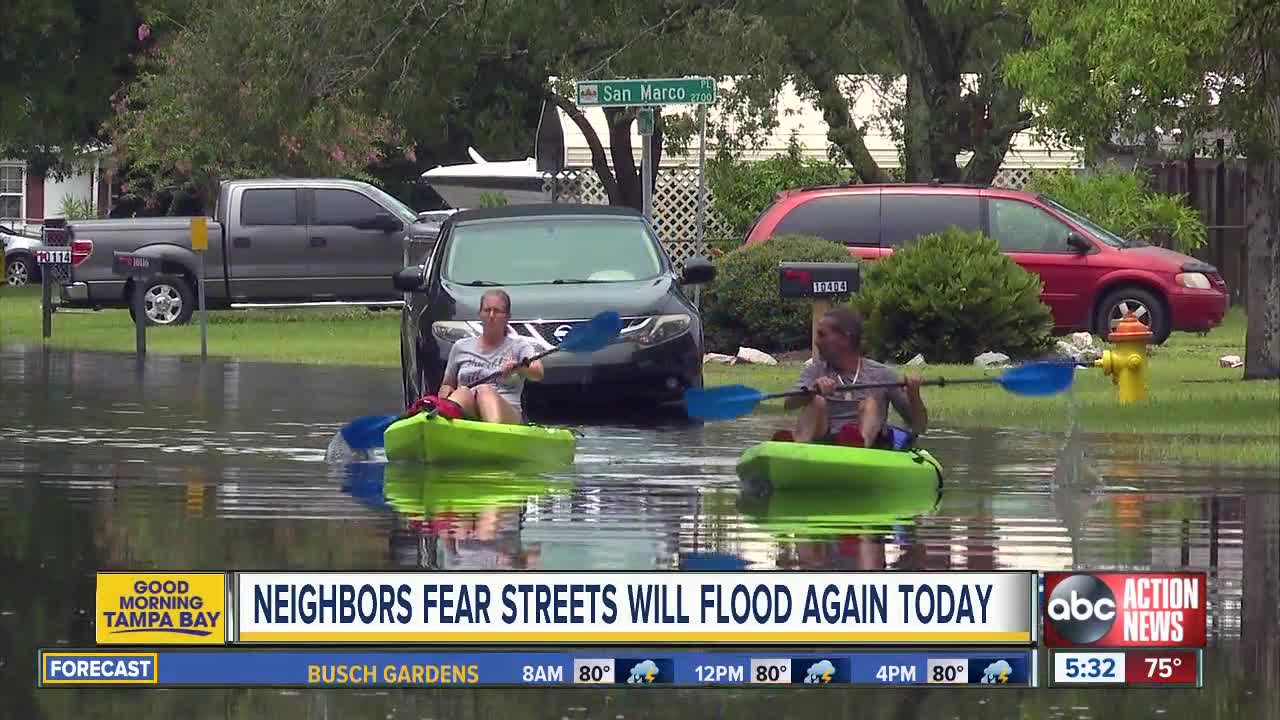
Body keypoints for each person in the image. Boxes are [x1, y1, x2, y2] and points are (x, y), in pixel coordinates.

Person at [783, 306, 928, 448]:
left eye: (822, 335)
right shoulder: (814, 371)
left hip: (865, 448)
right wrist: (813, 390)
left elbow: (919, 426)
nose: (816, 341)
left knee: (870, 404)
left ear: (845, 339)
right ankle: (798, 446)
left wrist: (914, 395)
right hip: (826, 442)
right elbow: (788, 404)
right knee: (817, 401)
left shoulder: (883, 374)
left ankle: (859, 445)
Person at [436, 289, 545, 424]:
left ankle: (494, 434)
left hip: (507, 411)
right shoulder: (460, 346)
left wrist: (519, 368)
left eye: (497, 311)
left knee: (484, 390)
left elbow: (538, 373)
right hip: (469, 408)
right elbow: (447, 384)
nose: (491, 315)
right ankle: (441, 424)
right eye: (487, 310)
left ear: (507, 317)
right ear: (480, 314)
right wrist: (445, 391)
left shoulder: (519, 345)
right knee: (462, 391)